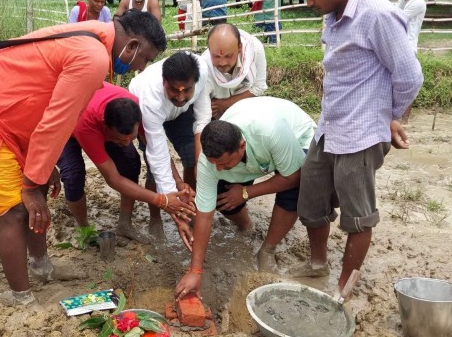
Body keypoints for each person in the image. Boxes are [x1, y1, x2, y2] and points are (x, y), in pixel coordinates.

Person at [0, 12, 167, 306]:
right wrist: (30, 184)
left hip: (6, 115)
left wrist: (39, 172)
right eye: (146, 58)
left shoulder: (94, 33)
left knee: (37, 190)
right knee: (17, 209)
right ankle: (22, 299)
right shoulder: (92, 57)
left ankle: (42, 268)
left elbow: (42, 105)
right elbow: (57, 122)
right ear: (131, 45)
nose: (142, 67)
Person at [292, 0, 423, 293]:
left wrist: (391, 118)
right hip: (330, 127)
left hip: (361, 134)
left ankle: (343, 288)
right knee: (312, 200)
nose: (308, 2)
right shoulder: (332, 16)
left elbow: (410, 76)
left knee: (358, 217)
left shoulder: (377, 14)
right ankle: (318, 265)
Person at [174, 97, 316, 299]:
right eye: (214, 163)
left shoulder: (271, 132)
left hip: (296, 139)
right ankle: (247, 225)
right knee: (221, 194)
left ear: (241, 146)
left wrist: (246, 192)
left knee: (294, 191)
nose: (219, 169)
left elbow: (293, 177)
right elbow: (204, 215)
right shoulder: (210, 162)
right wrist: (195, 271)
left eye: (224, 163)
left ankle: (267, 249)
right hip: (253, 155)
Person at [57, 83, 196, 243]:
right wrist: (160, 200)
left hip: (101, 119)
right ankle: (84, 229)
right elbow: (113, 179)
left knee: (131, 163)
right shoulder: (87, 125)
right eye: (119, 139)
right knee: (73, 175)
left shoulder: (140, 111)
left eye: (131, 137)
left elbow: (158, 151)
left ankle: (124, 224)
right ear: (104, 126)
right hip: (68, 124)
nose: (125, 143)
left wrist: (178, 182)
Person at [128, 51, 211, 243]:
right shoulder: (150, 97)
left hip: (180, 115)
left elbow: (202, 116)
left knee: (192, 156)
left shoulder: (202, 69)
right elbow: (159, 154)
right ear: (164, 81)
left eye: (187, 90)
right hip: (147, 115)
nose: (181, 97)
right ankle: (155, 218)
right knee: (153, 171)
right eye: (174, 90)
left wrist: (199, 165)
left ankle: (190, 201)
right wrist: (171, 204)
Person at [201, 23, 267, 119]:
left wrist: (226, 103)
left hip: (248, 112)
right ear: (209, 50)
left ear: (239, 48)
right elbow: (202, 113)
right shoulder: (204, 67)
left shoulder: (254, 50)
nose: (222, 63)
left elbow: (259, 87)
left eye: (228, 56)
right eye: (216, 56)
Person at [396, 0, 427, 123]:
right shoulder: (403, 1)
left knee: (406, 84)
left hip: (408, 47)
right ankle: (400, 118)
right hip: (398, 46)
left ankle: (405, 120)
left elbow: (396, 19)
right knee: (398, 83)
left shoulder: (418, 3)